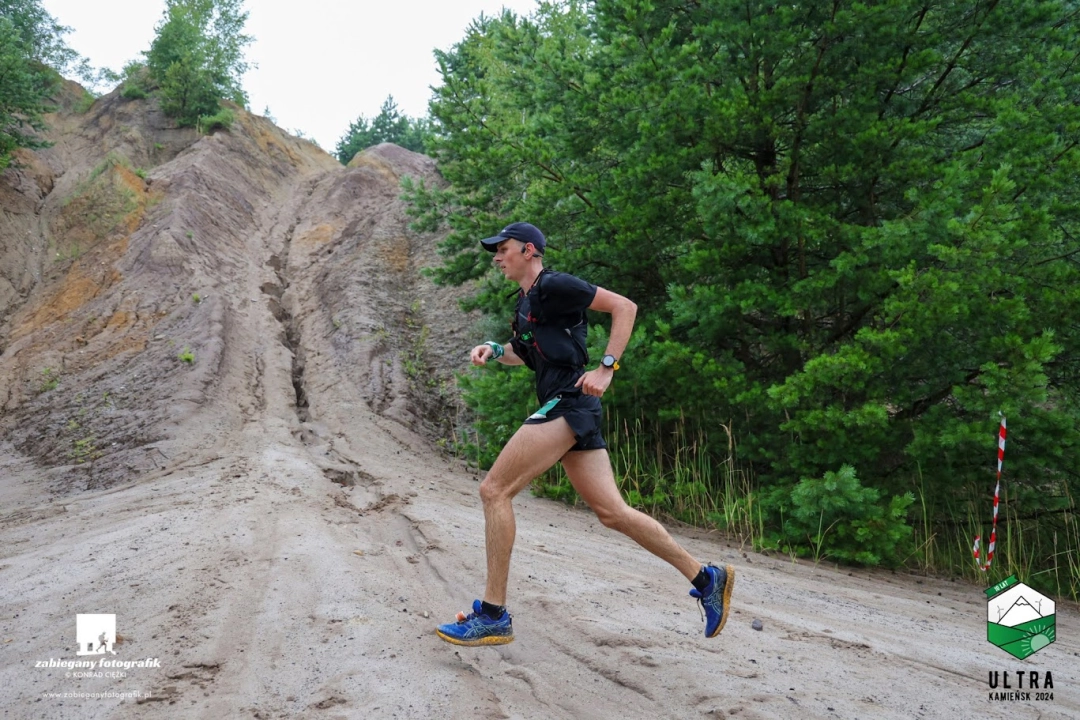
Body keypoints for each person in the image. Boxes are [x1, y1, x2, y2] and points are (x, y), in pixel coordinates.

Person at [435, 222, 734, 647]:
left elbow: (624, 307)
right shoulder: (525, 302)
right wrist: (496, 349)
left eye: (502, 249)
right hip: (572, 407)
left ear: (528, 250)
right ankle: (706, 578)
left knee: (494, 491)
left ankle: (493, 614)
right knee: (613, 513)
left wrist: (607, 367)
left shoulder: (555, 284)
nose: (496, 257)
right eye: (495, 252)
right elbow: (525, 353)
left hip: (569, 402)